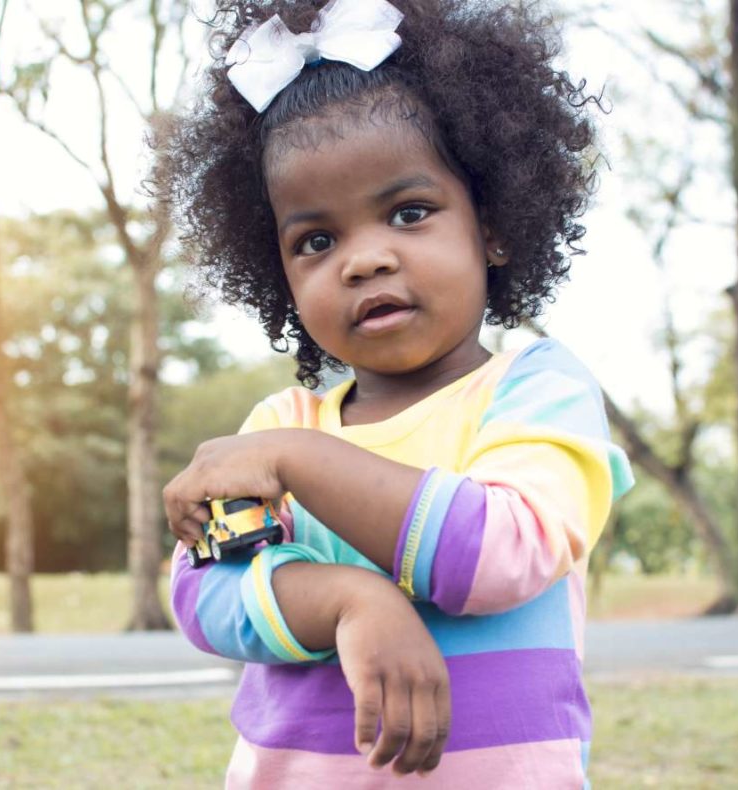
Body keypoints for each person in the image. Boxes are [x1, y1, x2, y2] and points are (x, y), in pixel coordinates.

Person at [155, 0, 634, 786]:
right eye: (317, 240)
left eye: (409, 213)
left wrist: (295, 461)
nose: (364, 260)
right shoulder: (283, 421)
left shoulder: (536, 391)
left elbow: (497, 555)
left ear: (494, 226)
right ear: (280, 275)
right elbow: (204, 593)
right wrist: (348, 601)